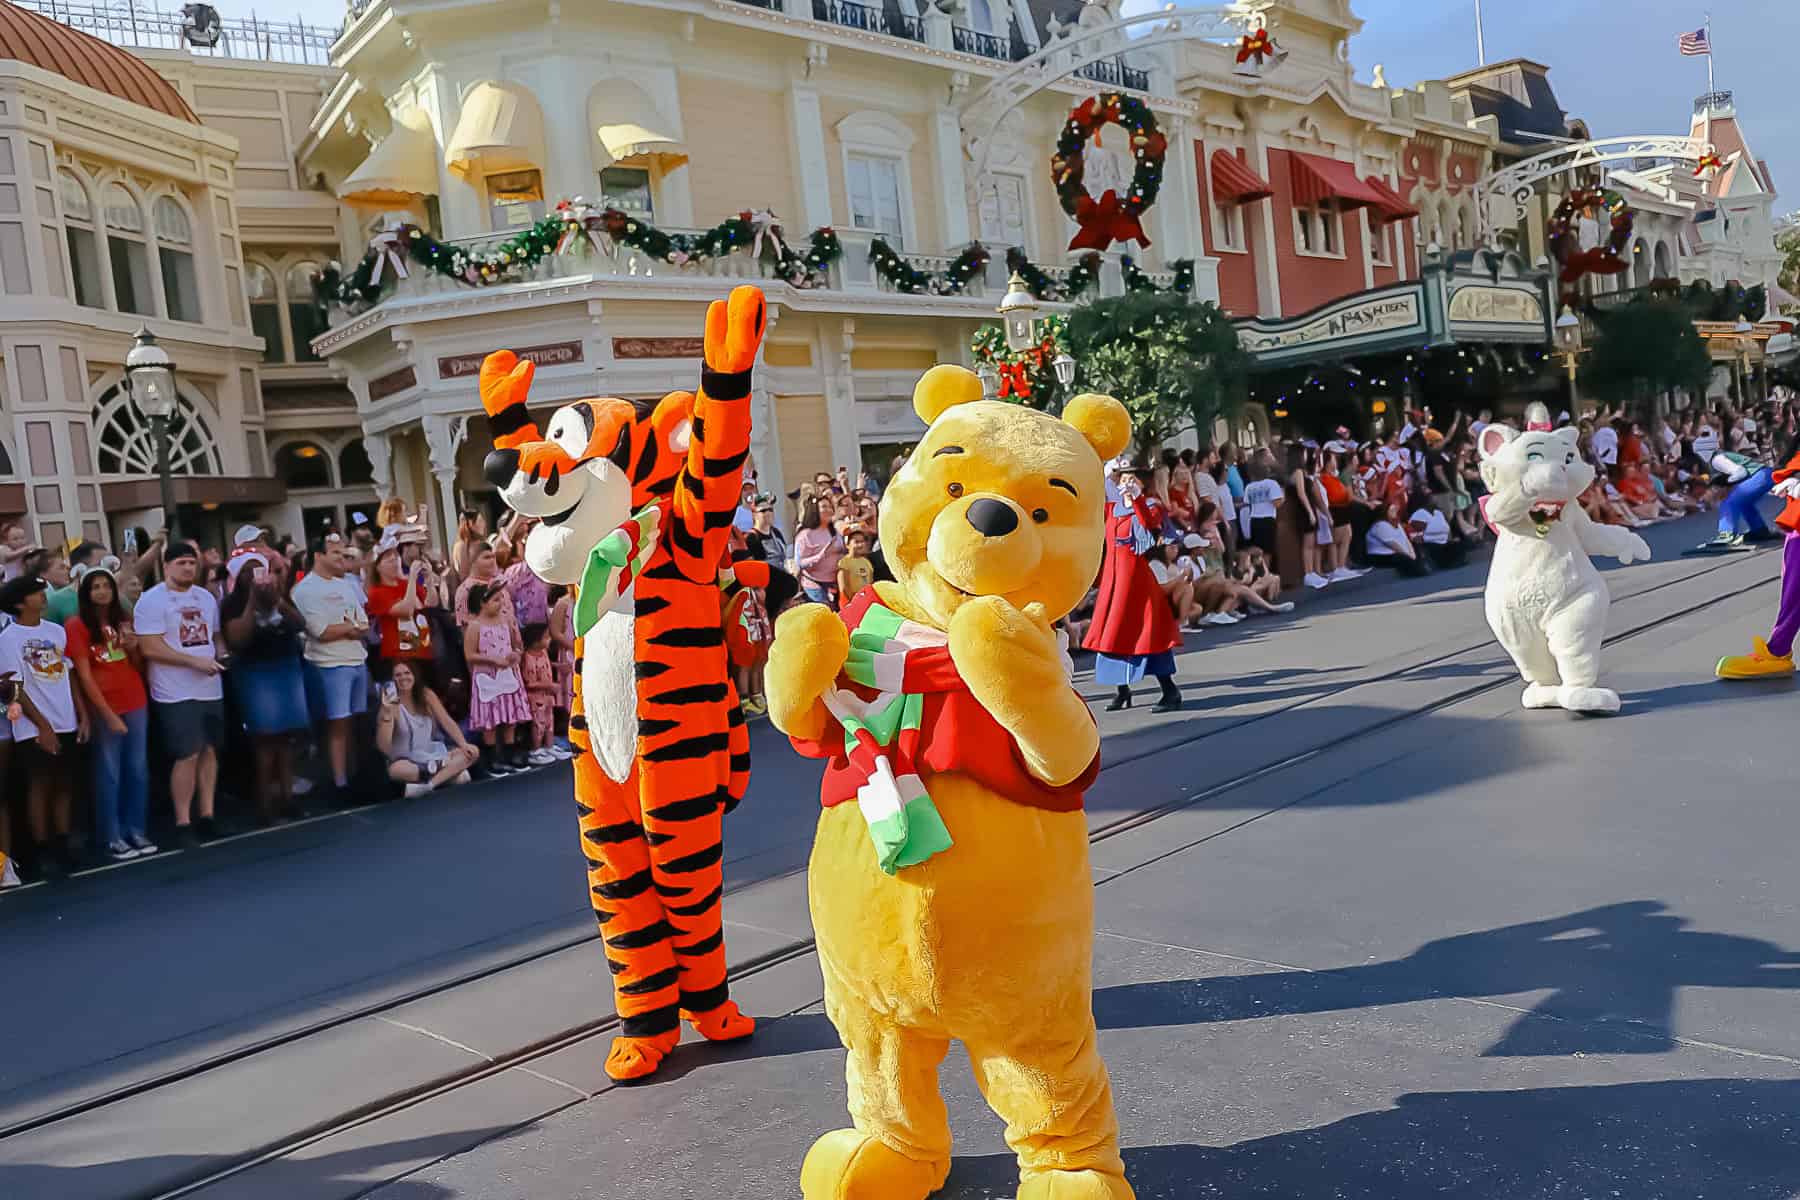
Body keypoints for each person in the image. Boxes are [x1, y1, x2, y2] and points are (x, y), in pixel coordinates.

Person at [133, 541, 226, 845]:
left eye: (192, 563)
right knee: (187, 752)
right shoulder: (151, 600)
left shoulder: (206, 598)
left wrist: (220, 655)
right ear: (167, 565)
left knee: (209, 749)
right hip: (175, 689)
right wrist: (192, 661)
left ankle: (208, 814)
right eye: (182, 563)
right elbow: (149, 646)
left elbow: (214, 636)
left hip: (209, 685)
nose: (188, 568)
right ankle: (183, 820)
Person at [66, 565, 154, 861]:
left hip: (136, 699)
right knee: (109, 772)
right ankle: (112, 835)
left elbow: (138, 668)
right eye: (95, 587)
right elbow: (83, 675)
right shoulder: (76, 626)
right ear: (86, 593)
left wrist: (134, 648)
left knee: (138, 769)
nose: (102, 591)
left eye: (106, 585)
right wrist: (106, 713)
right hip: (106, 705)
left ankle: (136, 829)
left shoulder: (123, 620)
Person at [0, 574, 86, 877]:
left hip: (66, 719)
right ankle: (43, 848)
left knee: (64, 782)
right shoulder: (8, 639)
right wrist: (42, 726)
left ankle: (62, 841)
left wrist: (82, 713)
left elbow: (69, 674)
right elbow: (14, 688)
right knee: (40, 785)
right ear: (21, 602)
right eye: (37, 593)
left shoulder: (57, 631)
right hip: (32, 726)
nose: (43, 596)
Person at [221, 552, 310, 825]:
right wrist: (252, 601)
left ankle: (288, 797)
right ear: (238, 577)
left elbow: (300, 624)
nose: (255, 577)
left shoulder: (278, 597)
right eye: (248, 572)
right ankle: (264, 803)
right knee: (264, 739)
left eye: (259, 570)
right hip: (255, 672)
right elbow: (237, 639)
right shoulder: (232, 603)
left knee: (285, 738)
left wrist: (277, 600)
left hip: (285, 666)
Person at [1085, 466, 1182, 712]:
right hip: (1114, 582)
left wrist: (1136, 497)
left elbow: (1150, 525)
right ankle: (1123, 691)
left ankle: (1170, 691)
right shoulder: (1110, 510)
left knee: (1146, 634)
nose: (1125, 481)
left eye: (1131, 477)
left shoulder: (1150, 506)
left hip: (1137, 583)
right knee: (1114, 633)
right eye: (1121, 477)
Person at [291, 533, 371, 804]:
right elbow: (320, 631)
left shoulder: (347, 585)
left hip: (358, 660)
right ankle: (339, 784)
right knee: (337, 724)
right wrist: (349, 628)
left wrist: (348, 629)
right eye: (335, 553)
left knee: (357, 723)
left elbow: (364, 625)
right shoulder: (304, 589)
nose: (342, 558)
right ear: (319, 556)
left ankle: (360, 777)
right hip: (329, 665)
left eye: (343, 552)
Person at [375, 660, 479, 798]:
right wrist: (387, 713)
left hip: (431, 754)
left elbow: (446, 721)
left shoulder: (426, 694)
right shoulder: (390, 705)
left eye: (407, 673)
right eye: (398, 675)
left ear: (414, 675)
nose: (403, 678)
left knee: (473, 751)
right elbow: (384, 747)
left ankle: (428, 785)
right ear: (393, 680)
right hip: (406, 761)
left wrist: (463, 744)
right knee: (396, 770)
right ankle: (448, 774)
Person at [463, 582, 529, 774]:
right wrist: (493, 660)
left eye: (501, 598)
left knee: (510, 715)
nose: (500, 603)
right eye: (495, 600)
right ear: (482, 603)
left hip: (507, 673)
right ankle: (493, 758)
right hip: (487, 676)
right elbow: (469, 654)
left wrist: (516, 654)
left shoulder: (506, 621)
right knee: (490, 717)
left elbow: (517, 645)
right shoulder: (475, 626)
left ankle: (510, 752)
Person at [365, 538, 435, 680]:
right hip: (398, 653)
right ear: (377, 567)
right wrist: (412, 578)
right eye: (387, 558)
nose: (394, 560)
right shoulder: (376, 592)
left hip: (422, 647)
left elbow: (430, 603)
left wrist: (429, 579)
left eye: (395, 556)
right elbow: (406, 610)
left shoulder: (406, 584)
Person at [520, 622, 563, 766]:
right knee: (538, 723)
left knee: (550, 721)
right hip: (536, 698)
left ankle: (549, 746)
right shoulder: (527, 658)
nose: (549, 639)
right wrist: (548, 685)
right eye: (546, 637)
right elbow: (529, 683)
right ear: (535, 640)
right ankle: (536, 750)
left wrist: (558, 666)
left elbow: (547, 666)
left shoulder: (543, 653)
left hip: (548, 696)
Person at [794, 497, 844, 605]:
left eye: (830, 506)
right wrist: (821, 556)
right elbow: (800, 562)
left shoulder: (834, 531)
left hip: (834, 583)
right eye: (824, 507)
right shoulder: (805, 534)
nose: (828, 509)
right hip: (814, 585)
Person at [453, 543, 514, 627]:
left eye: (493, 557)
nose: (492, 561)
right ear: (473, 561)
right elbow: (465, 629)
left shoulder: (498, 583)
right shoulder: (464, 590)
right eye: (487, 557)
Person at [1365, 502, 1431, 576]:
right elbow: (1393, 545)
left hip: (1396, 552)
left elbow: (1406, 540)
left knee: (1415, 544)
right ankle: (1416, 569)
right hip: (1381, 555)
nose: (1395, 511)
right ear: (1384, 512)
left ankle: (1419, 565)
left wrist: (1412, 556)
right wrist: (1408, 556)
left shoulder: (1396, 524)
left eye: (1394, 509)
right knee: (1401, 558)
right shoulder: (1380, 525)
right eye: (1392, 510)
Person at [1240, 460, 1283, 557]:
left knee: (1257, 551)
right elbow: (1277, 503)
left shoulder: (1249, 487)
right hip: (1268, 520)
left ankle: (1258, 570)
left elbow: (1246, 504)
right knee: (1268, 551)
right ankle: (1266, 571)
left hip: (1254, 520)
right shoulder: (1272, 484)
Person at [1408, 504, 1468, 569]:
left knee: (1460, 543)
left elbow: (1447, 532)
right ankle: (1447, 563)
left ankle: (1456, 561)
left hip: (1444, 543)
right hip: (1432, 547)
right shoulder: (1418, 519)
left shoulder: (1438, 514)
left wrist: (1451, 539)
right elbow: (1417, 539)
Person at [835, 527, 875, 609]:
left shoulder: (866, 561)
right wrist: (854, 602)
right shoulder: (844, 562)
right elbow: (844, 588)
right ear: (847, 545)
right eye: (856, 542)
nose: (860, 544)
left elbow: (870, 583)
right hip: (851, 603)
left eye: (862, 541)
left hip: (865, 601)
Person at [451, 509, 488, 580]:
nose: (484, 524)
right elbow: (464, 574)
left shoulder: (458, 545)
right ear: (471, 524)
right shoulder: (463, 546)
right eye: (480, 521)